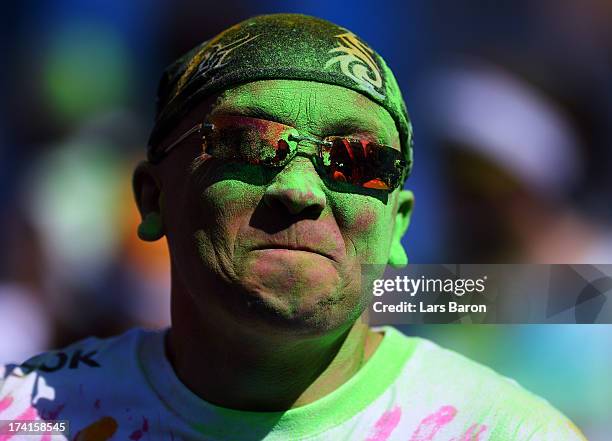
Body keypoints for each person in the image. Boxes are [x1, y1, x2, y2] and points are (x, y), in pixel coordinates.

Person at [0, 14, 586, 440]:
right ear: (152, 198)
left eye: (359, 161)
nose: (301, 190)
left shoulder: (562, 309)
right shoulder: (23, 416)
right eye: (248, 145)